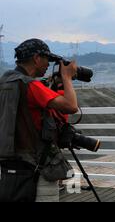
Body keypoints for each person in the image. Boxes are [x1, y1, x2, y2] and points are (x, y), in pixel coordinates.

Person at [0, 38, 78, 202]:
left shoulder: (4, 82)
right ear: (36, 58)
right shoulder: (31, 85)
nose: (48, 65)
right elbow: (71, 106)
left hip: (9, 164)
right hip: (36, 165)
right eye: (46, 60)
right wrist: (67, 78)